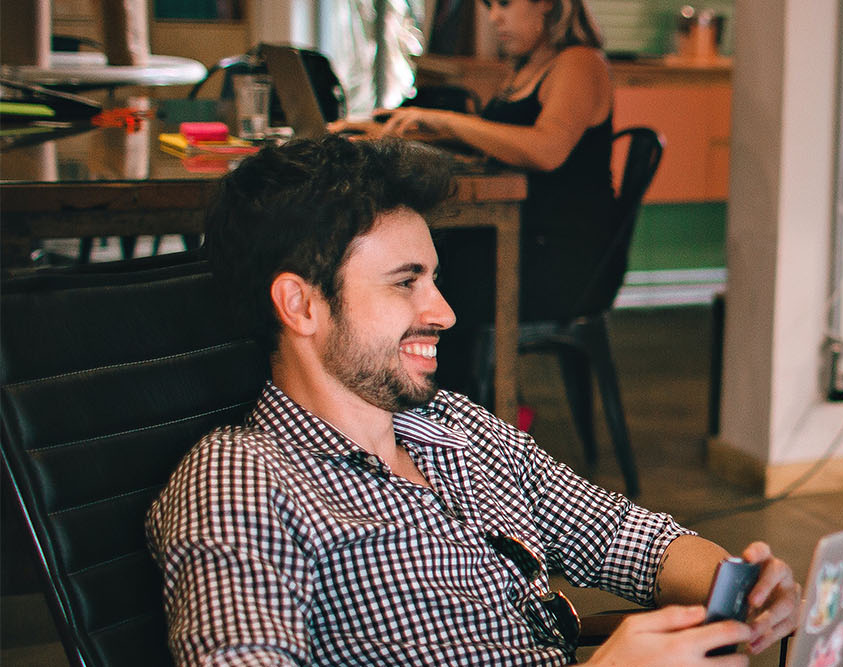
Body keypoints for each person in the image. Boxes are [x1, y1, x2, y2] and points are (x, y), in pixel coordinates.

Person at [149, 136, 799, 665]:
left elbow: (624, 536)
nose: (446, 312)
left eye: (435, 278)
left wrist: (739, 587)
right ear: (301, 304)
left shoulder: (456, 429)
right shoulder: (240, 482)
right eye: (406, 284)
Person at [331, 0, 619, 399]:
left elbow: (547, 149)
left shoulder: (579, 62)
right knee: (416, 269)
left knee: (425, 281)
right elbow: (498, 142)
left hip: (559, 259)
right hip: (520, 240)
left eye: (504, 4)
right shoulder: (527, 66)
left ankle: (437, 414)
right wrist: (392, 128)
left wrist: (443, 120)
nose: (494, 17)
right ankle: (417, 408)